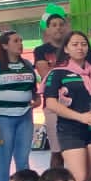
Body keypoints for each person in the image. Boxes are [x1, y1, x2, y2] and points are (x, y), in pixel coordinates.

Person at [41, 30, 91, 181]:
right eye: (75, 44)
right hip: (70, 129)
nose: (80, 48)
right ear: (66, 49)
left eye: (84, 44)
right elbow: (51, 103)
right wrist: (81, 117)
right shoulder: (57, 73)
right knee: (80, 177)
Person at [0, 29, 38, 181]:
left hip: (25, 117)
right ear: (4, 45)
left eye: (21, 40)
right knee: (4, 159)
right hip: (2, 119)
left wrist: (37, 98)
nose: (20, 44)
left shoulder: (27, 65)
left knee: (23, 160)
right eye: (15, 41)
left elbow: (33, 88)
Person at [32, 9, 70, 170]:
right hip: (53, 102)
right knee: (57, 150)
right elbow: (46, 75)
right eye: (54, 25)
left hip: (74, 101)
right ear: (47, 30)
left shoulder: (72, 47)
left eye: (61, 24)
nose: (58, 28)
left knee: (74, 148)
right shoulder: (41, 51)